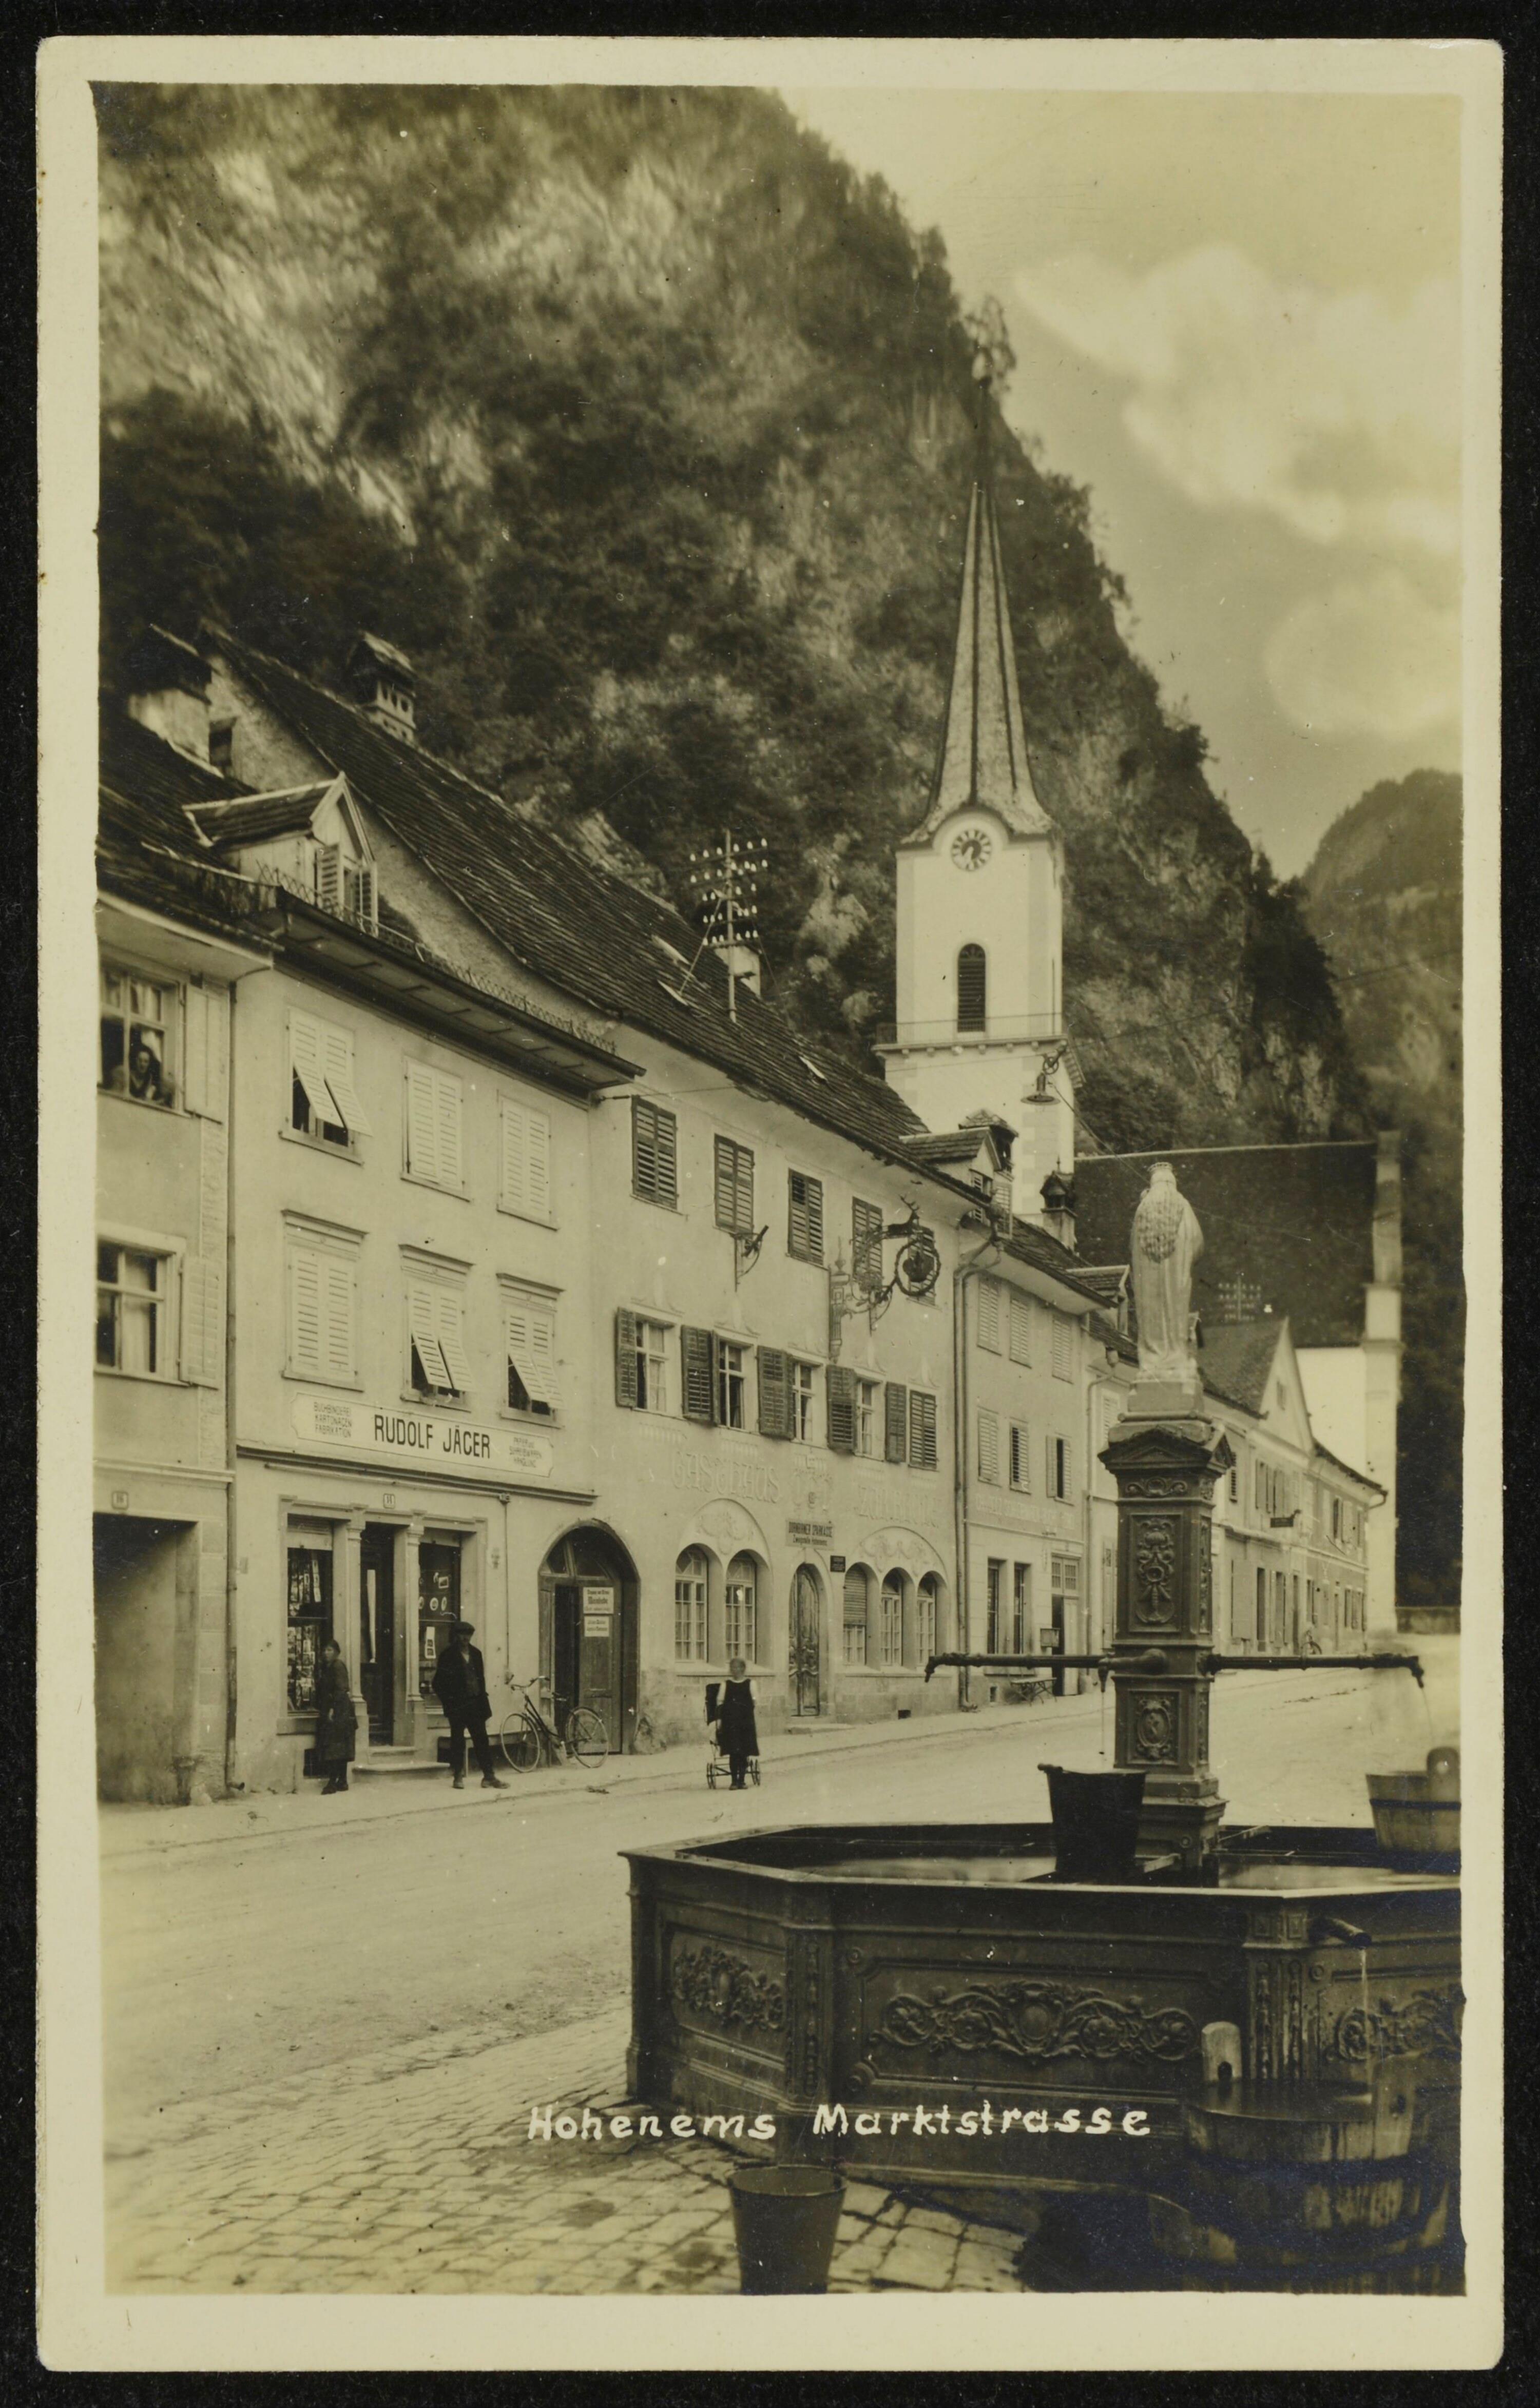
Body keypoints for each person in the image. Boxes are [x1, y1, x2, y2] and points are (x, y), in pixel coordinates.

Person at [432, 1620, 507, 1791]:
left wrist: (482, 1701)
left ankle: (489, 1776)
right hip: (458, 1706)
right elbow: (438, 1683)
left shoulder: (476, 1654)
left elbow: (481, 1680)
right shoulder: (448, 1655)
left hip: (476, 1704)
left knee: (482, 1740)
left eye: (468, 1635)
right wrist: (449, 1702)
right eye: (462, 1635)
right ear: (456, 1636)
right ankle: (458, 1776)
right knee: (458, 1741)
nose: (465, 1638)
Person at [313, 1639, 357, 1795]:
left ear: (337, 1652)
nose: (326, 1653)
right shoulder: (328, 1668)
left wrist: (332, 1709)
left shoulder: (338, 1666)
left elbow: (341, 1689)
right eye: (325, 1650)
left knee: (334, 1747)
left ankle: (333, 1783)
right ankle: (342, 1781)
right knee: (340, 1747)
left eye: (330, 1650)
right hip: (337, 1710)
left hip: (339, 1710)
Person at [714, 1656, 759, 1790]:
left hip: (745, 1722)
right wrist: (720, 1721)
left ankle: (742, 1780)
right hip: (731, 1722)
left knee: (744, 1752)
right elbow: (720, 1703)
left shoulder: (751, 1684)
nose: (735, 1670)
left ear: (743, 1669)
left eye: (738, 1668)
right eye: (733, 1668)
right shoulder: (726, 1685)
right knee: (734, 1751)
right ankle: (734, 1781)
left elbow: (755, 1701)